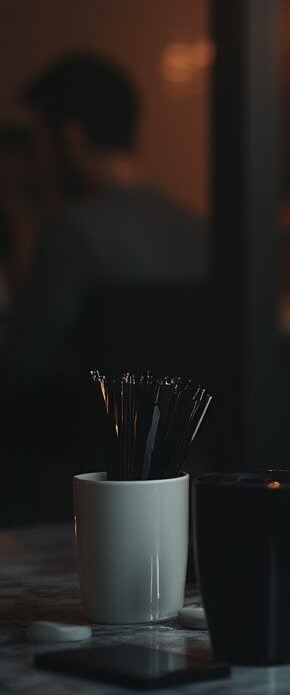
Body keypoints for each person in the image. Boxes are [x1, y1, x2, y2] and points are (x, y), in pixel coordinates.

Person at [0, 52, 207, 526]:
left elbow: (23, 365)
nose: (37, 162)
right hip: (186, 471)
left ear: (69, 136)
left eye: (38, 144)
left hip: (87, 476)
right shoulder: (196, 228)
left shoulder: (75, 231)